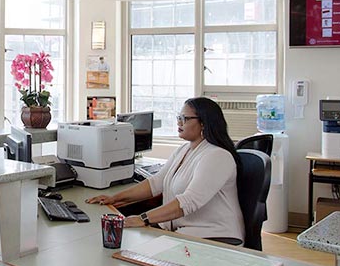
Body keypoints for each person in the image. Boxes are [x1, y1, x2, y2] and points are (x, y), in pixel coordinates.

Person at [86, 97, 245, 243]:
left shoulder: (217, 156)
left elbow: (188, 201)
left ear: (204, 123)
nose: (179, 123)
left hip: (215, 238)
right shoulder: (184, 150)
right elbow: (155, 183)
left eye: (185, 119)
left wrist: (144, 218)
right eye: (179, 118)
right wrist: (114, 198)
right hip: (184, 233)